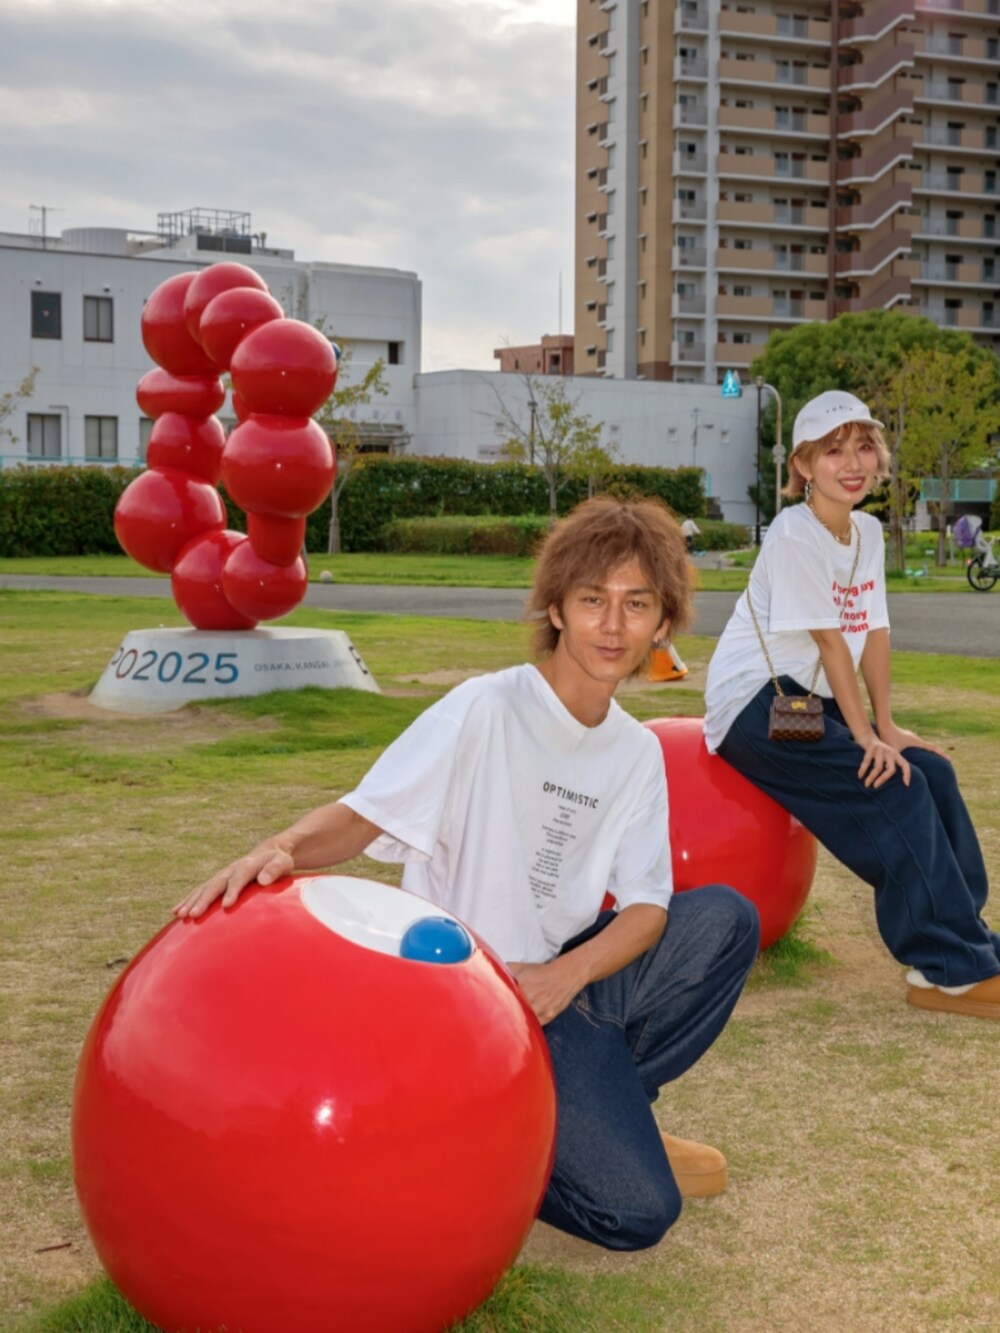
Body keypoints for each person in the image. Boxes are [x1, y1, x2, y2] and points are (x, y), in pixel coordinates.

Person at [176, 496, 760, 1251]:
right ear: (556, 608)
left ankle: (610, 1106)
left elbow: (648, 907)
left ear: (662, 622)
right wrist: (284, 845)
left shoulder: (636, 751)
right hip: (469, 999)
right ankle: (499, 1146)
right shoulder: (487, 707)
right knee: (639, 1212)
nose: (613, 626)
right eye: (593, 601)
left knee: (724, 920)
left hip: (559, 989)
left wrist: (567, 976)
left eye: (636, 604)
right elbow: (365, 814)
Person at [704, 390, 1000, 1021]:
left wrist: (888, 725)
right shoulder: (793, 532)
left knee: (933, 773)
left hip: (804, 701)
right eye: (832, 450)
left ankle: (965, 943)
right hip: (755, 704)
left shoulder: (865, 531)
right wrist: (866, 738)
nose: (852, 461)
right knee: (895, 788)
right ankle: (948, 972)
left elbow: (874, 633)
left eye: (863, 446)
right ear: (804, 466)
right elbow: (830, 642)